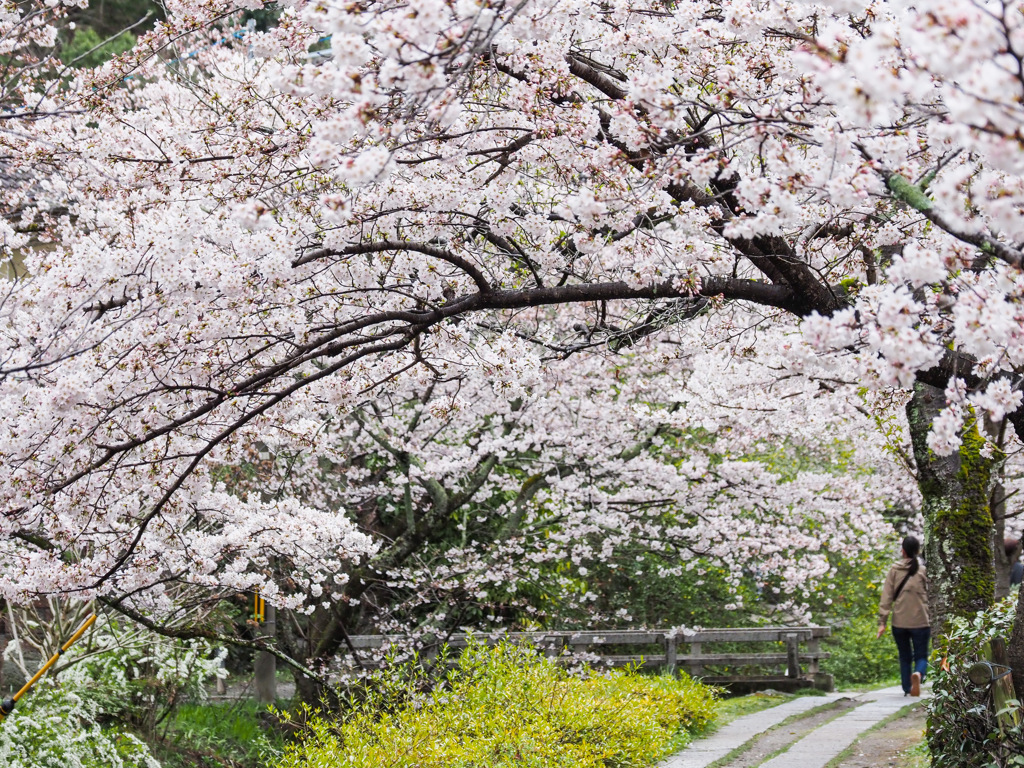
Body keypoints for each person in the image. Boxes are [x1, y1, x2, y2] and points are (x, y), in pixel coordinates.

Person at [876, 535, 930, 697]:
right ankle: (918, 674)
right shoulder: (923, 571)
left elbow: (886, 598)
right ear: (917, 551)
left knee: (905, 656)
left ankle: (907, 687)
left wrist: (882, 622)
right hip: (921, 621)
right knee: (921, 655)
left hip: (899, 622)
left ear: (903, 551)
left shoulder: (894, 570)